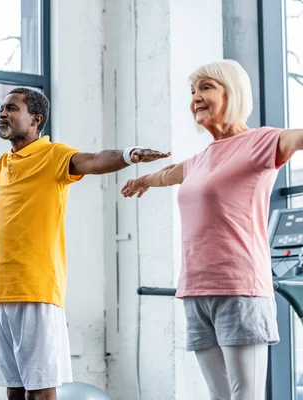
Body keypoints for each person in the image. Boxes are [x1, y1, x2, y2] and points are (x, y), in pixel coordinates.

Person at [0, 87, 169, 400]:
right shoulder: (0, 166)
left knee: (40, 391)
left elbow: (94, 160)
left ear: (36, 119)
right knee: (14, 390)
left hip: (37, 288)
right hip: (2, 291)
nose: (3, 113)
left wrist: (128, 155)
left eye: (12, 108)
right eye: (2, 108)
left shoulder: (54, 155)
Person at [121, 59, 303, 400]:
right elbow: (170, 174)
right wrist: (143, 180)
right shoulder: (201, 158)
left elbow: (296, 138)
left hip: (240, 287)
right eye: (192, 91)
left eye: (206, 88)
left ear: (231, 92)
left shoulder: (259, 142)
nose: (195, 98)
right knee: (219, 397)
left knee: (243, 395)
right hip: (195, 290)